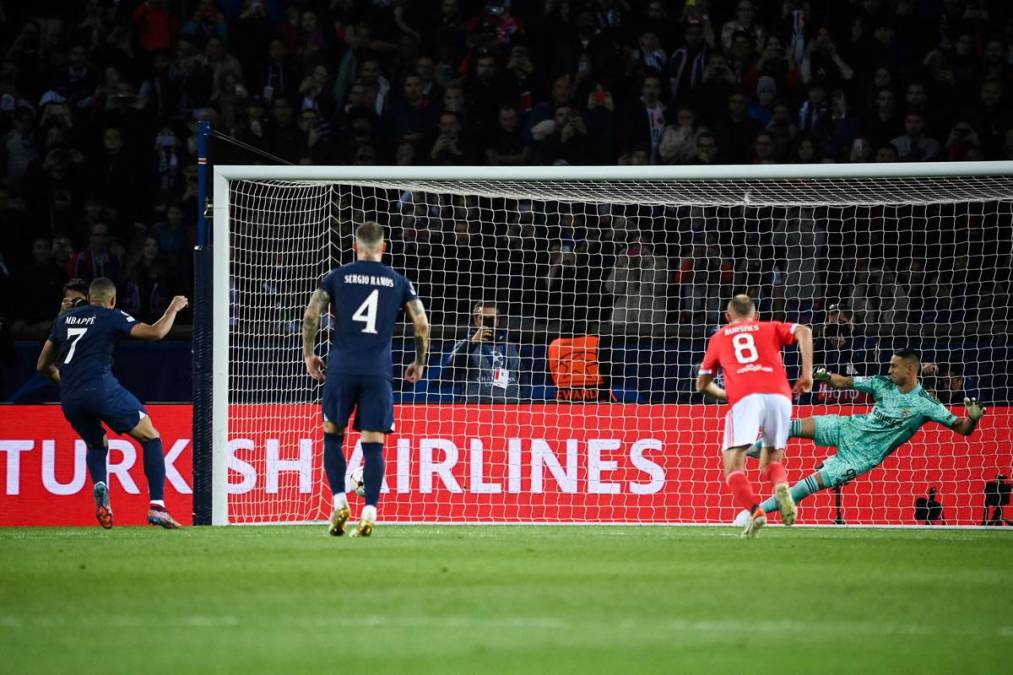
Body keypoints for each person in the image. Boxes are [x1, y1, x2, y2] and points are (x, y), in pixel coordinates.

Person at [750, 350, 987, 520]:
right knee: (791, 426)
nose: (889, 369)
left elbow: (962, 428)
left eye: (894, 366)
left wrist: (973, 418)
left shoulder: (926, 403)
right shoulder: (882, 383)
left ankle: (756, 511)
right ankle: (749, 450)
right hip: (848, 427)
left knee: (805, 487)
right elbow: (846, 382)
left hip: (862, 456)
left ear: (910, 369)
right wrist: (826, 376)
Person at [302, 222, 429, 538]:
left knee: (332, 436)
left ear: (355, 247)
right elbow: (422, 324)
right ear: (383, 248)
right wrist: (419, 361)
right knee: (373, 445)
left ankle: (339, 502)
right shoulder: (398, 281)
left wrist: (309, 354)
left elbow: (310, 315)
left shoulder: (337, 276)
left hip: (341, 368)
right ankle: (370, 512)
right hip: (378, 371)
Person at [34, 277, 188, 528]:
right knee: (151, 436)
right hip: (100, 388)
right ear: (112, 300)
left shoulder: (63, 319)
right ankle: (158, 507)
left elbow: (42, 365)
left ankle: (101, 487)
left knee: (97, 445)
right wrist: (174, 307)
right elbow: (156, 332)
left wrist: (67, 383)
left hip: (70, 397)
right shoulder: (110, 315)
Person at [696, 294, 814, 538]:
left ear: (728, 317)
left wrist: (727, 393)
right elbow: (804, 330)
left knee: (733, 465)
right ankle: (781, 486)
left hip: (745, 397)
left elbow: (702, 385)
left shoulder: (719, 337)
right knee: (771, 461)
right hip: (780, 395)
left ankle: (755, 511)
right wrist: (807, 374)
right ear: (756, 316)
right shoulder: (769, 327)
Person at [442, 301, 523, 403]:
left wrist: (523, 400)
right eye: (483, 318)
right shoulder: (464, 345)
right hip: (477, 407)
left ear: (497, 320)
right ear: (476, 320)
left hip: (511, 407)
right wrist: (471, 343)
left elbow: (523, 377)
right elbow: (449, 370)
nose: (487, 322)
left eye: (492, 318)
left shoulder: (510, 346)